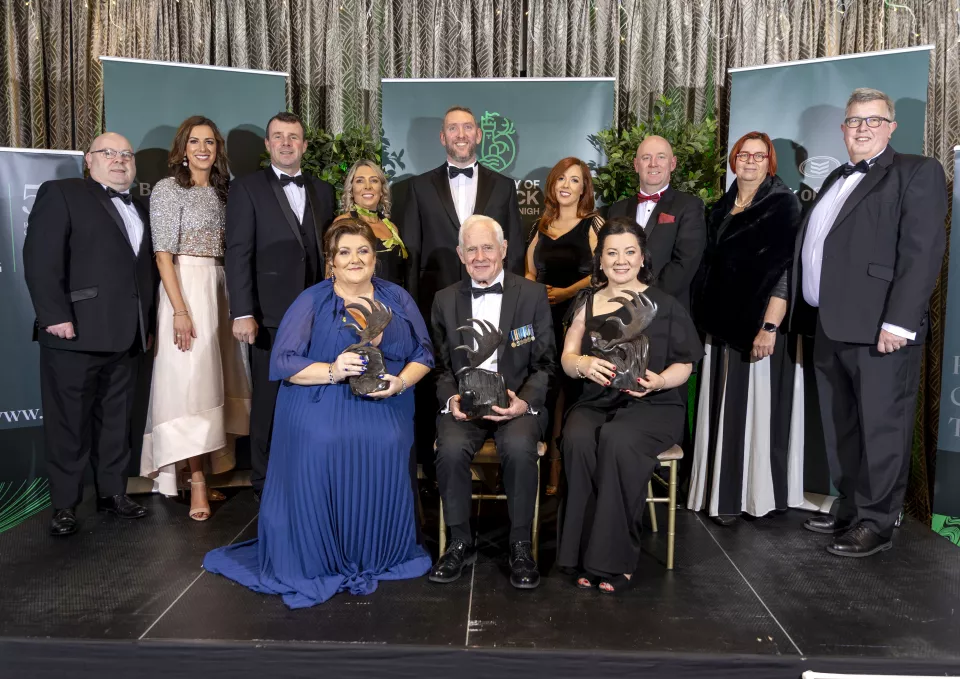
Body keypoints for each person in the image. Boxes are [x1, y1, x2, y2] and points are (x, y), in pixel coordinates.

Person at [203, 218, 434, 608]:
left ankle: (376, 550)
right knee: (323, 439)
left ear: (375, 257)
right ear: (331, 261)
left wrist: (401, 383)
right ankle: (319, 550)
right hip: (320, 397)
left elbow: (423, 354)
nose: (355, 259)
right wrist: (332, 370)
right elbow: (284, 361)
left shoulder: (398, 299)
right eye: (345, 252)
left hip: (387, 400)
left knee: (389, 438)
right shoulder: (312, 300)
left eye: (362, 250)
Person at [791, 88, 947, 557]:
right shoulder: (837, 175)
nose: (861, 128)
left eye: (872, 120)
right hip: (830, 323)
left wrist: (899, 323)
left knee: (882, 427)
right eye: (854, 120)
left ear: (891, 127)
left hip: (881, 328)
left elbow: (922, 253)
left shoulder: (917, 171)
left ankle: (878, 521)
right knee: (842, 426)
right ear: (842, 128)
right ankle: (851, 507)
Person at [558, 217, 702, 594]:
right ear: (600, 260)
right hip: (596, 399)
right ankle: (578, 554)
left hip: (654, 404)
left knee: (618, 439)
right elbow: (567, 358)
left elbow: (685, 365)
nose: (620, 260)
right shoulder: (586, 302)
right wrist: (584, 365)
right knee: (578, 437)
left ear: (642, 258)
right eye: (612, 253)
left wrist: (660, 381)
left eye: (629, 252)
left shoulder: (666, 304)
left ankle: (613, 561)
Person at [23, 132, 155, 536]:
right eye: (108, 153)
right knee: (68, 424)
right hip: (73, 332)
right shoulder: (62, 193)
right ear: (88, 160)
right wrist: (53, 315)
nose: (119, 160)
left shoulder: (145, 207)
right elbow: (40, 259)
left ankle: (112, 493)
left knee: (116, 421)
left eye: (126, 155)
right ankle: (64, 504)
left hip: (128, 333)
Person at [429, 215, 554, 589]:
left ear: (503, 250)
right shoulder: (444, 299)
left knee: (519, 447)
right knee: (449, 449)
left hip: (515, 404)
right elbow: (438, 365)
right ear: (460, 254)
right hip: (465, 405)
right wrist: (451, 398)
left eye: (487, 247)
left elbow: (546, 364)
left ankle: (519, 544)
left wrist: (524, 402)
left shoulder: (532, 295)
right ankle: (458, 541)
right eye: (472, 249)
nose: (480, 256)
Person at [687, 132, 805, 525]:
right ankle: (717, 492)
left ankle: (748, 496)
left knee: (749, 412)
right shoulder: (720, 206)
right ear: (733, 160)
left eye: (759, 156)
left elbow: (785, 272)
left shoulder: (783, 204)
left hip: (757, 327)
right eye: (743, 155)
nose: (750, 162)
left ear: (769, 162)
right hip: (718, 328)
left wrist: (769, 327)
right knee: (721, 410)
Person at [140, 116, 252, 520]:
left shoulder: (228, 192)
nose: (203, 148)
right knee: (190, 386)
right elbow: (162, 256)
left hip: (222, 287)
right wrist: (180, 310)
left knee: (217, 382)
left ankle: (204, 472)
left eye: (209, 141)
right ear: (182, 149)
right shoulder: (169, 191)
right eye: (194, 141)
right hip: (185, 287)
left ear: (218, 148)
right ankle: (196, 483)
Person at [225, 111, 336, 500]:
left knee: (311, 395)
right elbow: (237, 253)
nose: (286, 143)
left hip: (318, 313)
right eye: (278, 136)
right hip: (269, 315)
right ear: (268, 145)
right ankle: (263, 480)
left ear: (304, 145)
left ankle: (303, 474)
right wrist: (242, 311)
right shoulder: (247, 188)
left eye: (294, 137)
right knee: (270, 400)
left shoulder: (323, 190)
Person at [402, 105, 524, 313]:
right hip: (434, 297)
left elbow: (514, 249)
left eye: (467, 127)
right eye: (452, 128)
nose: (461, 135)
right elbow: (412, 250)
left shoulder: (504, 186)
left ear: (478, 135)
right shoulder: (419, 187)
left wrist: (514, 299)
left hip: (493, 294)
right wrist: (410, 305)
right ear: (442, 137)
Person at [525, 157, 600, 495]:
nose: (566, 186)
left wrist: (566, 292)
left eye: (575, 180)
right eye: (561, 180)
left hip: (580, 318)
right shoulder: (539, 226)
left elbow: (601, 274)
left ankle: (569, 475)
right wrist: (537, 296)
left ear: (584, 188)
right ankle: (542, 476)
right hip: (541, 319)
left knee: (571, 395)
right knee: (545, 388)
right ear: (552, 185)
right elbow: (529, 273)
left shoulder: (595, 224)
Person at [605, 135, 706, 311]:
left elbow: (685, 263)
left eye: (661, 157)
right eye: (646, 158)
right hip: (620, 308)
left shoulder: (690, 206)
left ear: (672, 163)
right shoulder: (616, 209)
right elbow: (608, 258)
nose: (653, 163)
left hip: (667, 310)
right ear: (636, 165)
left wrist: (641, 298)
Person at [332, 159, 407, 286]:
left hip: (394, 300)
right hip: (358, 302)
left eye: (374, 180)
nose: (368, 186)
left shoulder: (392, 227)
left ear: (382, 189)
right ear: (351, 189)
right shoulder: (343, 223)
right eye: (360, 181)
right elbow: (331, 273)